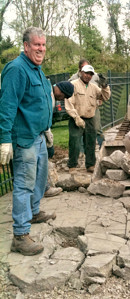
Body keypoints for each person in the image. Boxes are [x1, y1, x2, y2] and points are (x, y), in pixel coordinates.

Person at [0, 27, 55, 256]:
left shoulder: (37, 69)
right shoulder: (16, 69)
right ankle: (20, 235)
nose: (40, 48)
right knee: (23, 185)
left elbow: (39, 102)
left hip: (39, 135)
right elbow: (7, 106)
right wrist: (4, 140)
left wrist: (48, 127)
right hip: (24, 139)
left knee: (39, 180)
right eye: (36, 45)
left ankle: (33, 212)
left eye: (43, 45)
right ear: (26, 46)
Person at [65, 65, 111, 173]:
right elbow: (69, 103)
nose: (88, 76)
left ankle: (90, 165)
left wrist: (105, 86)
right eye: (86, 73)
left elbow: (105, 97)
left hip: (90, 118)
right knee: (75, 142)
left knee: (90, 142)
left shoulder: (94, 87)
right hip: (76, 118)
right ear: (81, 72)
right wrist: (76, 117)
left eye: (90, 74)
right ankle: (72, 165)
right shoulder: (73, 85)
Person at [44, 81, 74, 197]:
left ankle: (44, 188)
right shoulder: (50, 97)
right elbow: (46, 122)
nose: (62, 99)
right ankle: (44, 189)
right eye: (63, 96)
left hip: (39, 132)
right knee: (41, 163)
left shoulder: (48, 90)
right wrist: (50, 143)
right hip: (35, 133)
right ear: (60, 90)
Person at [69, 59, 105, 148]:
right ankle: (81, 153)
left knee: (97, 129)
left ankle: (103, 148)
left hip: (93, 108)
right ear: (79, 69)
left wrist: (101, 98)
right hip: (79, 110)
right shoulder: (73, 79)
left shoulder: (95, 76)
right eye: (83, 68)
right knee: (80, 131)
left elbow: (102, 90)